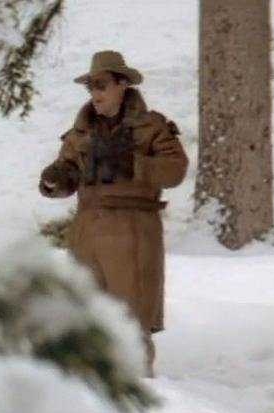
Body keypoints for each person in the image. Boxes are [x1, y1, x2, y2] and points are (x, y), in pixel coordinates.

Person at [38, 50, 188, 377]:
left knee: (132, 319)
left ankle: (139, 390)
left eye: (102, 85)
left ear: (122, 84)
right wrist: (56, 180)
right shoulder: (79, 133)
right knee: (86, 316)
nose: (95, 94)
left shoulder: (152, 127)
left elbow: (176, 171)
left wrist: (134, 165)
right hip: (87, 231)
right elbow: (69, 172)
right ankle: (90, 391)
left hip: (132, 229)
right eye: (90, 86)